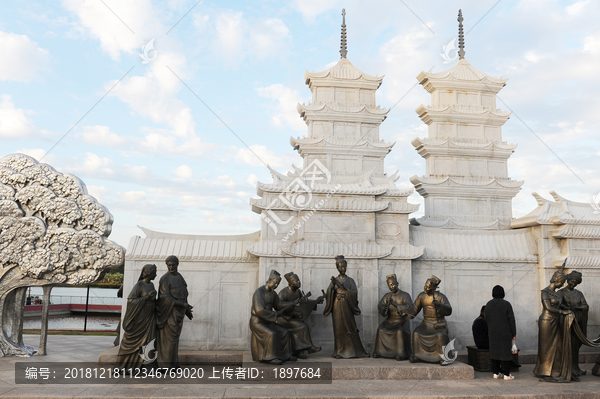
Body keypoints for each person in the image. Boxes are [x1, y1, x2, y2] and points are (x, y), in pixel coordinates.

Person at [323, 255, 369, 359]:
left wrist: (347, 291)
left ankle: (356, 351)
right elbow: (329, 292)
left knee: (351, 327)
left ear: (346, 266)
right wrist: (332, 290)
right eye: (340, 267)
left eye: (344, 267)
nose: (342, 269)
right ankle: (339, 351)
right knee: (338, 328)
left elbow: (354, 293)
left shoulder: (351, 281)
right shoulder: (334, 281)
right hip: (336, 305)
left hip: (347, 305)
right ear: (337, 268)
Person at [250, 270, 297, 364]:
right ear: (269, 280)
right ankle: (270, 357)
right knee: (271, 334)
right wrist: (275, 315)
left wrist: (292, 303)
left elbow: (278, 305)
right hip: (257, 322)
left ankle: (286, 355)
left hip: (268, 321)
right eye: (275, 283)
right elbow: (259, 310)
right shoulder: (259, 292)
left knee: (285, 332)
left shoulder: (273, 294)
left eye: (277, 284)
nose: (276, 286)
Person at [116, 264, 158, 370]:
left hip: (149, 319)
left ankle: (145, 367)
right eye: (154, 273)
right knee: (129, 343)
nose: (156, 275)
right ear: (149, 273)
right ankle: (124, 367)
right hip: (139, 320)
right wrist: (146, 298)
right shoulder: (139, 285)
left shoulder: (152, 285)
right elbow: (131, 301)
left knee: (149, 343)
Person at [156, 255, 193, 368]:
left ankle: (173, 364)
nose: (171, 267)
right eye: (169, 265)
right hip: (168, 313)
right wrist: (182, 304)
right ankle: (164, 366)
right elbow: (164, 298)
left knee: (174, 341)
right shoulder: (165, 279)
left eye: (173, 265)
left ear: (177, 265)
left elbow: (183, 293)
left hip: (179, 313)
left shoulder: (179, 277)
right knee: (169, 340)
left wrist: (186, 310)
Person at [277, 272, 323, 359]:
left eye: (299, 280)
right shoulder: (283, 293)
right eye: (296, 281)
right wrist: (294, 312)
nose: (299, 282)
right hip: (284, 319)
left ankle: (299, 351)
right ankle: (309, 347)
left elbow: (303, 303)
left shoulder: (298, 292)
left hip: (293, 318)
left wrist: (315, 302)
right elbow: (279, 308)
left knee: (301, 325)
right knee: (303, 326)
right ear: (290, 283)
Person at [410, 275, 453, 364]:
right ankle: (417, 356)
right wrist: (405, 313)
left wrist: (440, 305)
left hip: (438, 323)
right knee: (416, 333)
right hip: (426, 323)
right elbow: (414, 309)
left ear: (434, 288)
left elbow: (449, 310)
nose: (426, 288)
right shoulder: (421, 296)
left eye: (429, 286)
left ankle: (443, 357)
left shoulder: (441, 296)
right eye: (426, 285)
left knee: (440, 335)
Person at [373, 274, 414, 360]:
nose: (392, 286)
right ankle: (379, 352)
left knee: (399, 331)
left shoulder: (405, 295)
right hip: (390, 320)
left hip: (401, 320)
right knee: (381, 329)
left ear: (397, 283)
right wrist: (384, 307)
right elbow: (380, 305)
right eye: (389, 285)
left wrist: (396, 305)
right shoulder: (388, 296)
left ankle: (400, 354)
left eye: (393, 284)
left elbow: (409, 307)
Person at [560, 270, 589, 377]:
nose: (573, 283)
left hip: (578, 322)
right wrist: (566, 308)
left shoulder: (579, 293)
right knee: (569, 347)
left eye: (576, 282)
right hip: (567, 324)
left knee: (575, 347)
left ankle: (576, 368)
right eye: (572, 281)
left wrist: (579, 307)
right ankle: (568, 369)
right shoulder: (561, 292)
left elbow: (585, 305)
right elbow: (558, 305)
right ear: (568, 280)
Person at [485, 286, 516, 380]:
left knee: (494, 352)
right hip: (505, 332)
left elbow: (486, 319)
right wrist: (513, 333)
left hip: (493, 332)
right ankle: (506, 374)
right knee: (505, 353)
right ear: (503, 293)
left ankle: (496, 373)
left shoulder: (488, 304)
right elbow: (511, 320)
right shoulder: (506, 304)